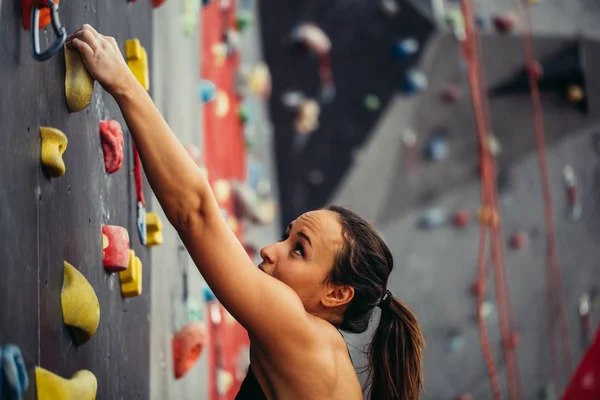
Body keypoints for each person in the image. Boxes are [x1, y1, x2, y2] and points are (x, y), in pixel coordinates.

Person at [67, 24, 425, 400]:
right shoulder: (331, 363)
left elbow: (196, 214)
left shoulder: (298, 332)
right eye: (287, 235)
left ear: (336, 294)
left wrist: (123, 82)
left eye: (298, 249)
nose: (270, 250)